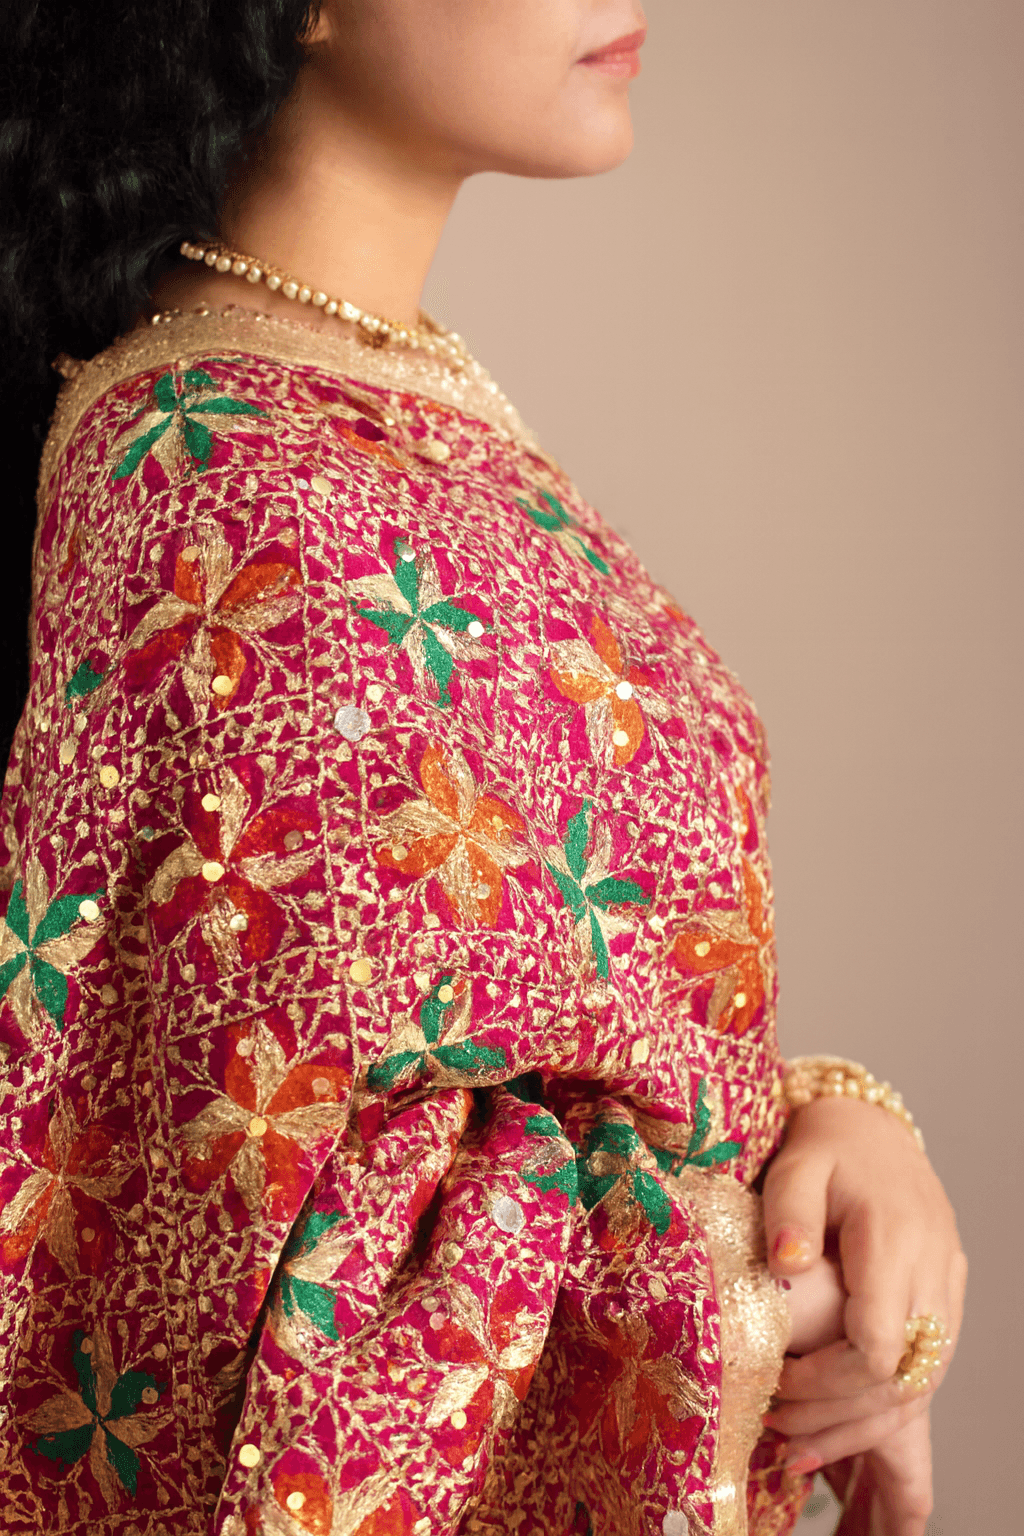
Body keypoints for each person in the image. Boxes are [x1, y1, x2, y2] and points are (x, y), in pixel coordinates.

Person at [0, 3, 966, 1533]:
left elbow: (508, 1045)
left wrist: (836, 1134)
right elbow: (236, 1286)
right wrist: (764, 1296)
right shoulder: (228, 492)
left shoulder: (389, 408)